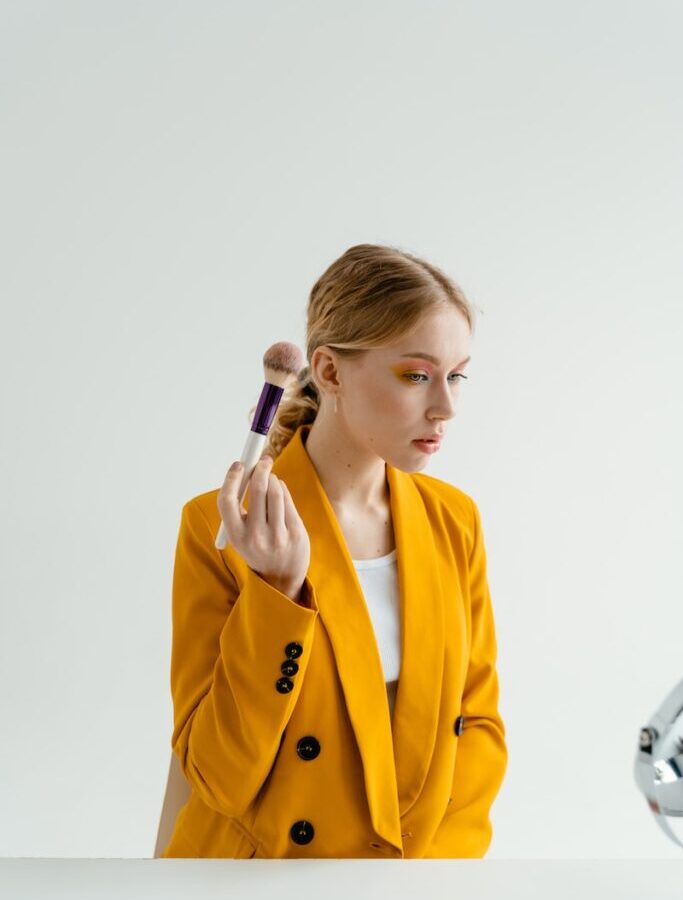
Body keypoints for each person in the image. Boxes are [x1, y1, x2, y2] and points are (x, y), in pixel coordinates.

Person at [160, 242, 508, 859]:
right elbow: (217, 775)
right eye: (416, 375)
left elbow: (476, 726)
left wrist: (432, 875)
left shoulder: (454, 521)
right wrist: (277, 594)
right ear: (328, 371)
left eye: (456, 375)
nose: (446, 407)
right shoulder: (221, 528)